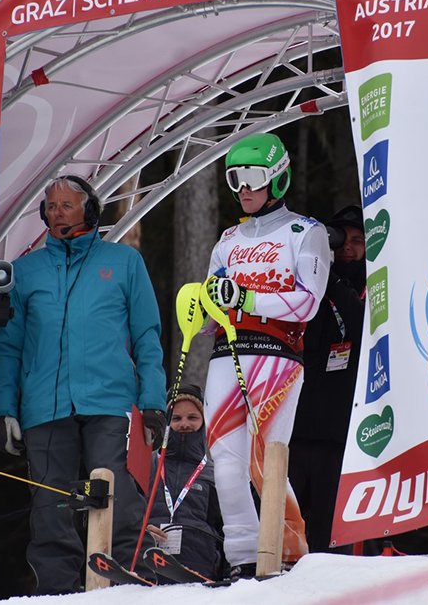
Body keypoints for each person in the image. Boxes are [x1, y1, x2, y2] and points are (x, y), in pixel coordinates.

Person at [0, 175, 166, 595]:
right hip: (44, 408)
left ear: (89, 209)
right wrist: (3, 410)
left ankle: (128, 582)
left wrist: (154, 401)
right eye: (50, 206)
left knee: (115, 490)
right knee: (51, 505)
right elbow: (9, 347)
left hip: (111, 401)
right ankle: (58, 593)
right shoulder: (25, 271)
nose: (56, 213)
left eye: (66, 205)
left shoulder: (124, 262)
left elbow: (147, 337)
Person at [200, 133, 330, 577]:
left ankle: (287, 552)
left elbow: (309, 303)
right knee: (224, 459)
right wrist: (195, 306)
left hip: (277, 353)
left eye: (253, 178)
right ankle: (242, 559)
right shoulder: (228, 239)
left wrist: (248, 298)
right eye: (235, 178)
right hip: (227, 352)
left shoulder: (306, 233)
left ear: (278, 179)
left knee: (264, 457)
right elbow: (209, 303)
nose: (244, 189)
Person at [289, 205, 367, 554]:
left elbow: (358, 319)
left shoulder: (372, 287)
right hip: (296, 430)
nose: (346, 248)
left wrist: (330, 277)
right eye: (338, 241)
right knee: (282, 523)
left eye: (357, 241)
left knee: (329, 534)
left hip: (340, 438)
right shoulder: (309, 283)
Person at [146, 385, 224, 580]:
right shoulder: (146, 465)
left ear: (204, 421)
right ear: (166, 422)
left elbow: (224, 530)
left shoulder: (215, 472)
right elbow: (125, 515)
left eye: (192, 417)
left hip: (199, 570)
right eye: (176, 418)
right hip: (148, 565)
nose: (184, 424)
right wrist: (142, 528)